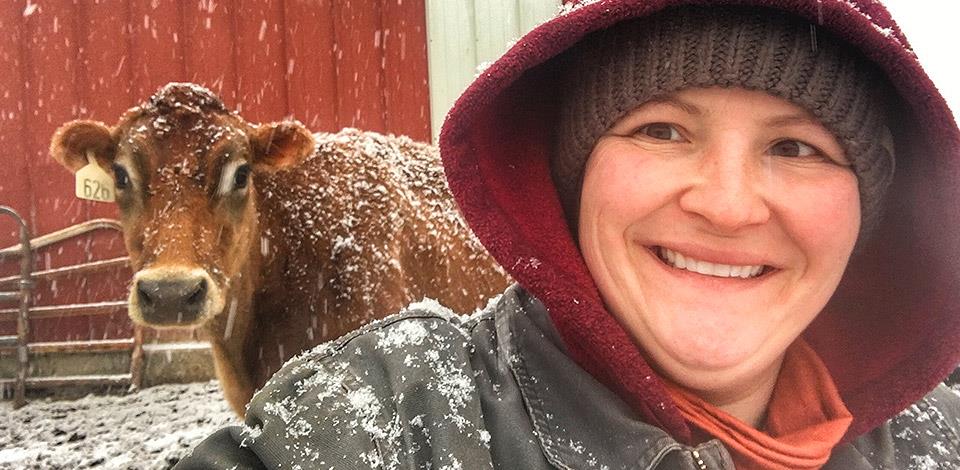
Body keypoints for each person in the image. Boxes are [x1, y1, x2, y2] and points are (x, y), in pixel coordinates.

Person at [175, 0, 960, 468]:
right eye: (661, 131)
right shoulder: (389, 424)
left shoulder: (941, 442)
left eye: (796, 148)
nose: (727, 205)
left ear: (869, 211)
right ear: (571, 179)